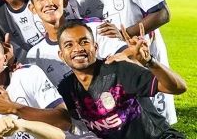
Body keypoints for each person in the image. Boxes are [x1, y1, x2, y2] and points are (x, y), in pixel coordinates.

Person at [70, 0, 177, 124]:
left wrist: (124, 33)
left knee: (157, 123)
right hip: (115, 71)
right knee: (128, 124)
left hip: (145, 62)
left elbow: (163, 14)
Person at [56, 21, 186, 139]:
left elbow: (178, 87)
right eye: (69, 45)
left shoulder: (119, 70)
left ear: (95, 48)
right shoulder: (67, 89)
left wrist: (150, 62)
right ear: (61, 55)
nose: (78, 49)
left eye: (84, 42)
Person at [26, 0, 127, 87]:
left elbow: (126, 55)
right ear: (32, 8)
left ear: (65, 1)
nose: (48, 3)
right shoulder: (34, 55)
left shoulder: (96, 29)